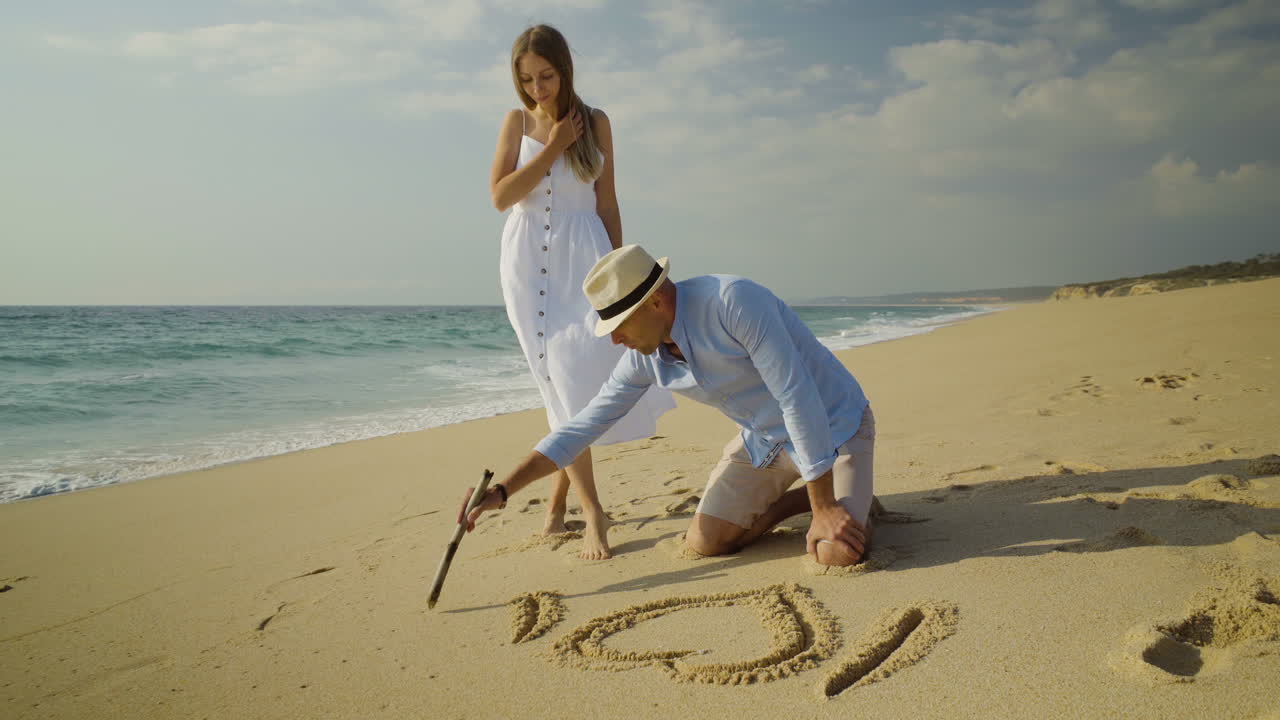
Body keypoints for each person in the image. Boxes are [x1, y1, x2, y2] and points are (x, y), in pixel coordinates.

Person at [461, 245, 876, 566]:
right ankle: (799, 499)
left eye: (619, 326)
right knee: (705, 542)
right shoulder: (645, 355)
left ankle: (830, 496)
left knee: (834, 553)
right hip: (764, 440)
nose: (614, 340)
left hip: (834, 427)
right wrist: (502, 491)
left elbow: (796, 396)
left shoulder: (733, 302)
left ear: (656, 302)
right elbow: (580, 428)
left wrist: (825, 510)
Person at [489, 25, 674, 560]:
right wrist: (551, 149)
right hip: (527, 265)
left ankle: (554, 509)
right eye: (527, 80)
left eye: (546, 77)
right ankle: (592, 510)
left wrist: (624, 277)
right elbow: (502, 196)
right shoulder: (518, 122)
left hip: (585, 257)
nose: (537, 89)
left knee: (581, 379)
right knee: (560, 383)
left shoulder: (596, 123)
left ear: (565, 70)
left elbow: (607, 202)